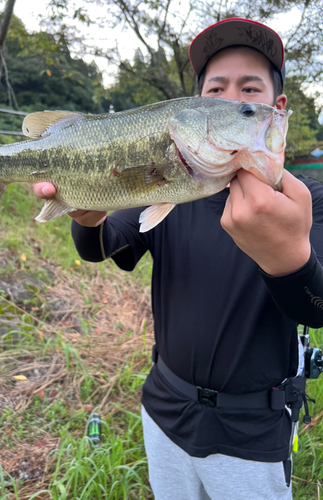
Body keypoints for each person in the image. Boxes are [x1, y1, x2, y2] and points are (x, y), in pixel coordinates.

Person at [33, 18, 323, 500]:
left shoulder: (308, 199)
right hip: (165, 411)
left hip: (254, 434)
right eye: (215, 91)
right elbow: (102, 244)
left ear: (277, 108)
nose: (230, 102)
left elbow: (317, 306)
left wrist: (289, 257)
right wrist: (86, 216)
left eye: (249, 92)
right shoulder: (167, 188)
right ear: (192, 111)